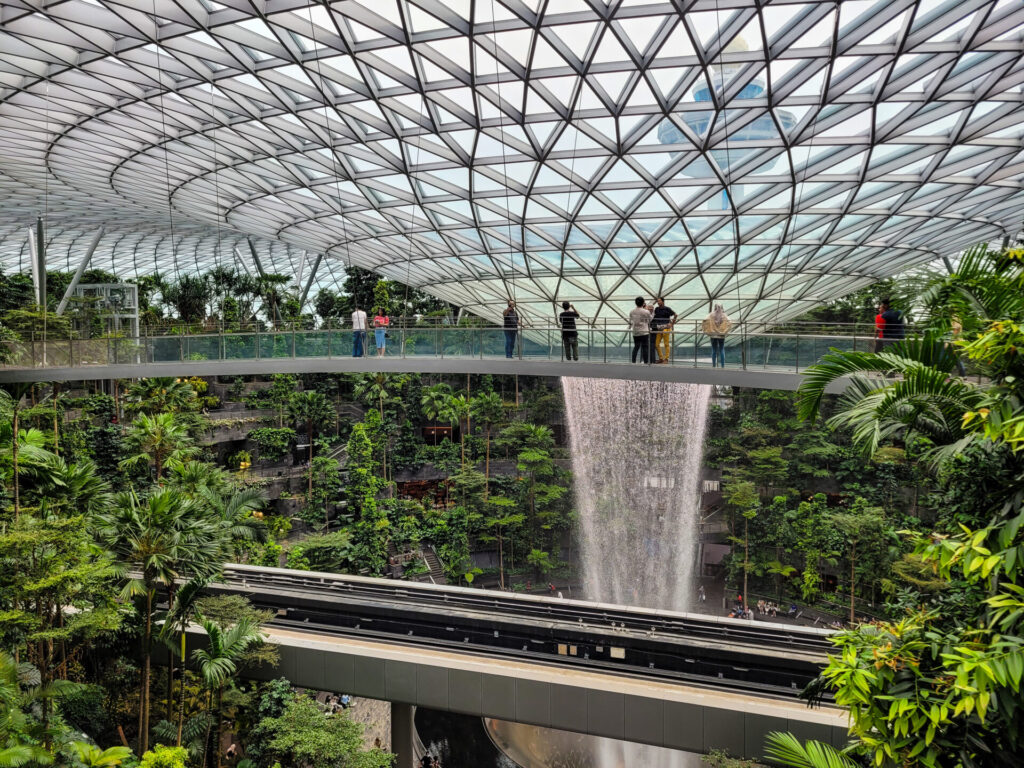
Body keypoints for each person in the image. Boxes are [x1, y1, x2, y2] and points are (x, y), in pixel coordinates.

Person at [651, 297, 677, 364]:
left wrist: (672, 324)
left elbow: (675, 315)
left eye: (659, 301)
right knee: (656, 344)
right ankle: (661, 358)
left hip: (666, 328)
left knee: (666, 343)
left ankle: (666, 359)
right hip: (659, 328)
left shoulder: (667, 309)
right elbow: (653, 316)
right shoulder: (656, 309)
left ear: (663, 301)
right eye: (657, 301)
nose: (658, 302)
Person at [628, 296, 652, 364]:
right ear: (643, 303)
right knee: (645, 347)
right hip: (644, 332)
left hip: (636, 332)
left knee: (636, 347)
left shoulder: (632, 311)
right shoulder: (646, 311)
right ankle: (646, 362)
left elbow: (630, 321)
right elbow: (650, 320)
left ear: (635, 303)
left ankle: (633, 361)